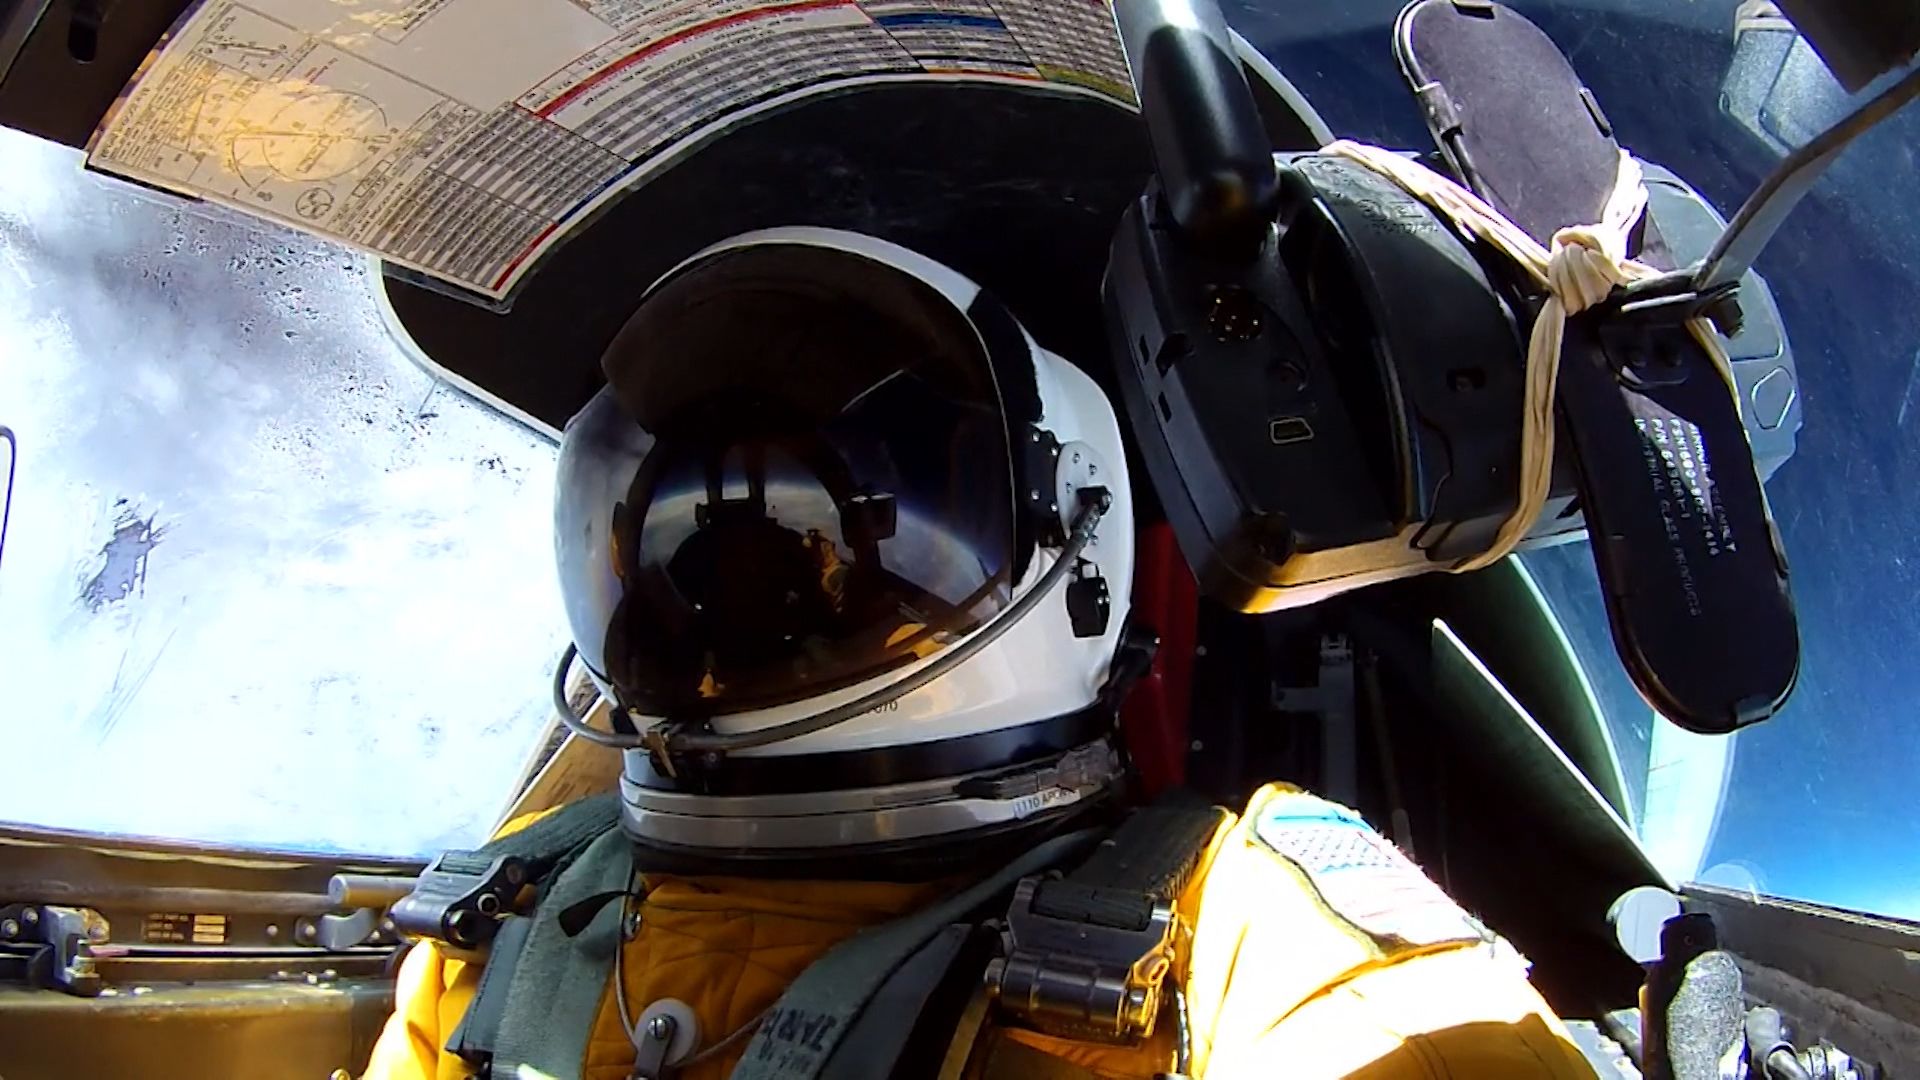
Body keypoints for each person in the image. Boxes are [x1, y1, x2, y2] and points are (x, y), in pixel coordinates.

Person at [365, 229, 1599, 1080]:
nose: (745, 601)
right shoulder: (507, 929)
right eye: (692, 540)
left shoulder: (1225, 941)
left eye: (803, 538)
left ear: (1083, 548)